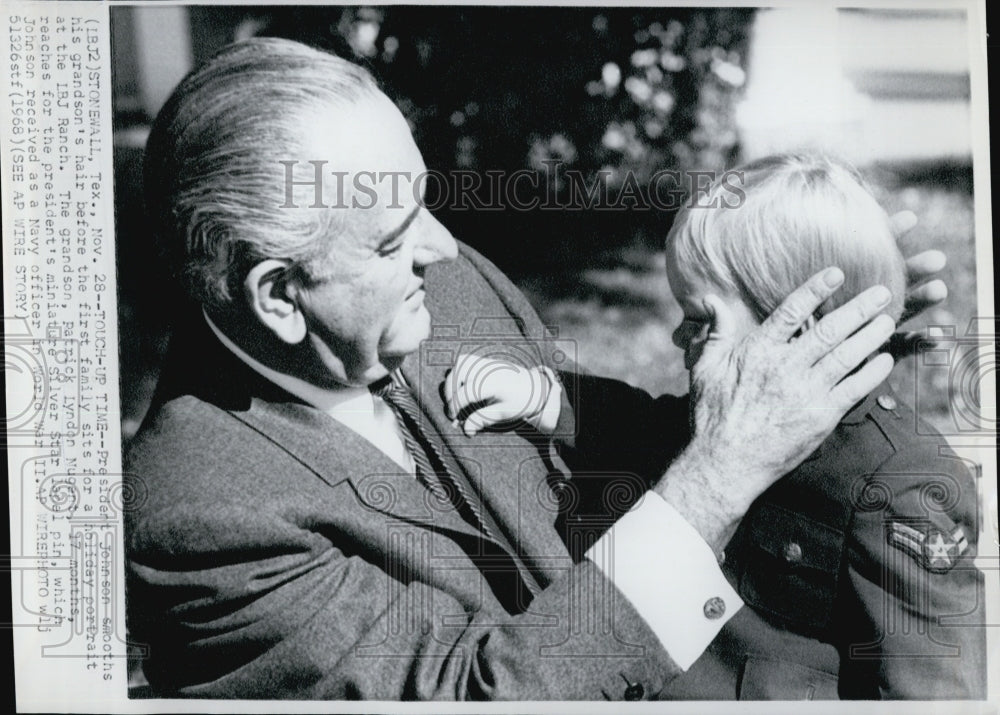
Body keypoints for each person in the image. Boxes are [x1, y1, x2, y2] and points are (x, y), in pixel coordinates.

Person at [125, 38, 946, 700]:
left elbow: (611, 469)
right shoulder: (202, 520)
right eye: (390, 238)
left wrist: (815, 349)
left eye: (423, 199)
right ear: (277, 295)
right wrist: (723, 472)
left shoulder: (440, 286)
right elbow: (484, 694)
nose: (444, 249)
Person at [446, 153, 984, 699]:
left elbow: (928, 688)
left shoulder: (897, 484)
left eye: (702, 320)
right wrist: (545, 395)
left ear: (801, 328)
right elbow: (643, 425)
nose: (680, 338)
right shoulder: (720, 422)